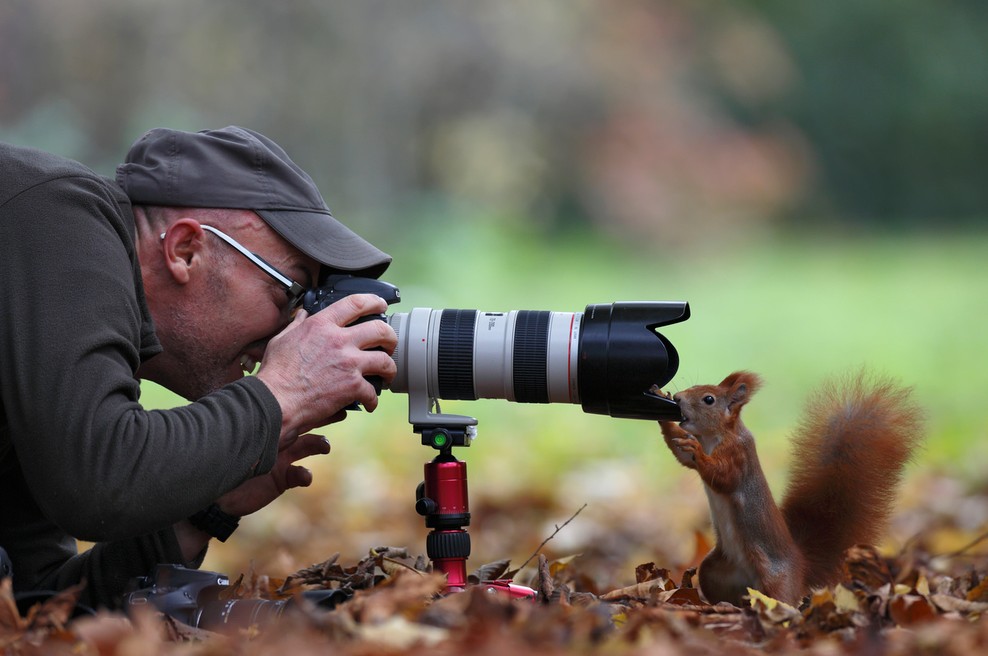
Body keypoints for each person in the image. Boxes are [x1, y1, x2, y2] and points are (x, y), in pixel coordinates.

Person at [0, 126, 399, 609]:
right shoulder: (59, 211)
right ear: (185, 250)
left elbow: (34, 602)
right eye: (290, 293)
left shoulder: (46, 332)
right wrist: (281, 394)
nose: (291, 332)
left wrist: (204, 512)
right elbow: (97, 483)